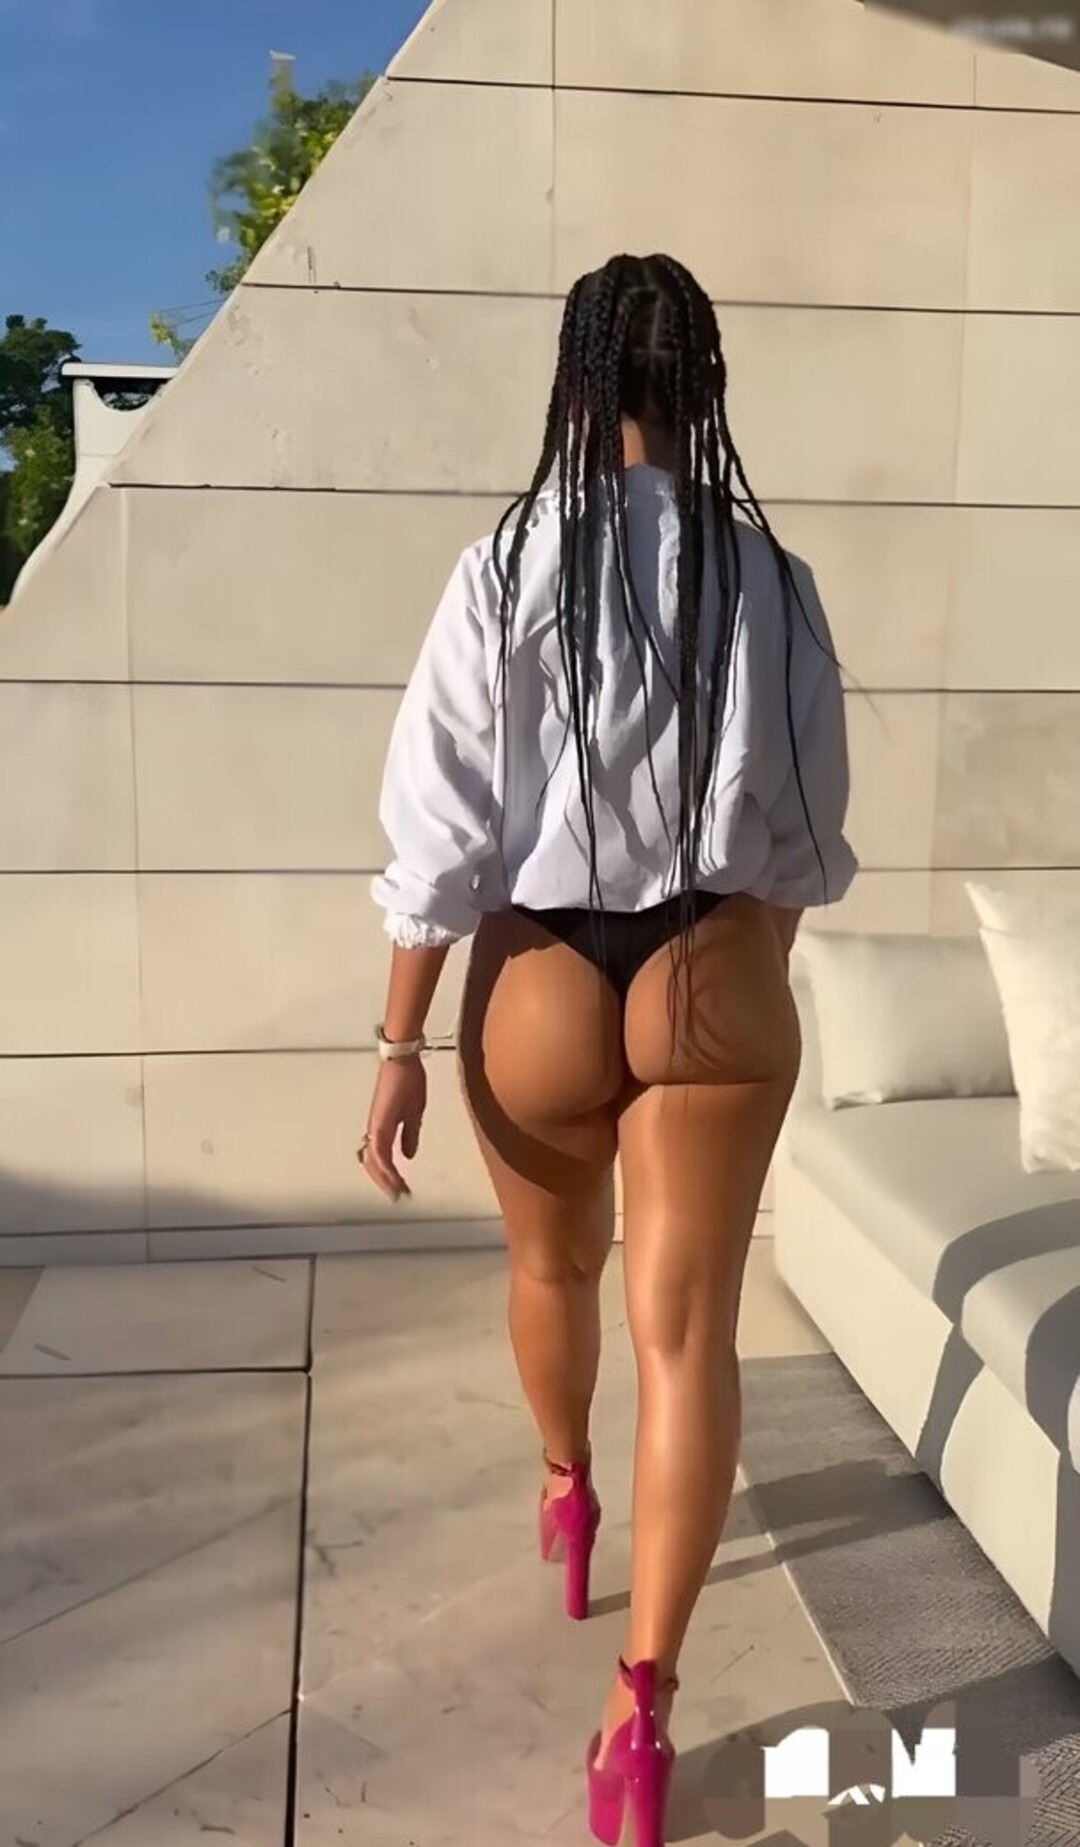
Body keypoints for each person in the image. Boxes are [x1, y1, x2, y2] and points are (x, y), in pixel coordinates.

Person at [358, 251, 858, 1847]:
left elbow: (442, 830)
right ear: (707, 391)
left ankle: (569, 1494)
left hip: (542, 975)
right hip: (719, 961)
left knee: (551, 1268)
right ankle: (642, 1711)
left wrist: (398, 1041)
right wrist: (743, 964)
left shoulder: (506, 563)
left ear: (576, 391)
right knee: (689, 1337)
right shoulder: (771, 579)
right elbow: (806, 838)